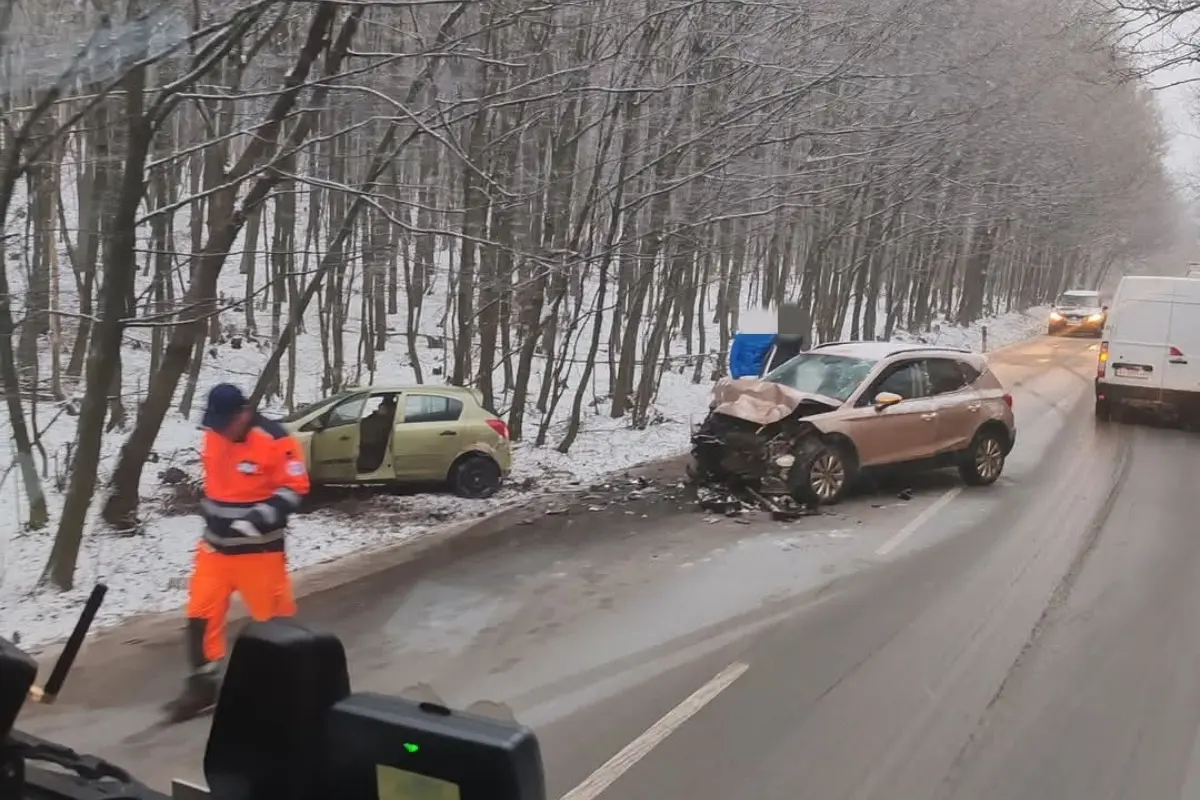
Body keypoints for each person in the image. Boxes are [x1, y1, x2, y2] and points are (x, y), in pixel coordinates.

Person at [163, 383, 311, 721]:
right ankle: (202, 687)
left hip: (259, 554)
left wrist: (259, 517)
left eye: (223, 423)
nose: (218, 431)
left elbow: (295, 489)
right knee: (200, 617)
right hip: (214, 550)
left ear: (243, 414)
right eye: (213, 424)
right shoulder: (214, 436)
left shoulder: (275, 439)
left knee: (274, 625)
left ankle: (288, 691)